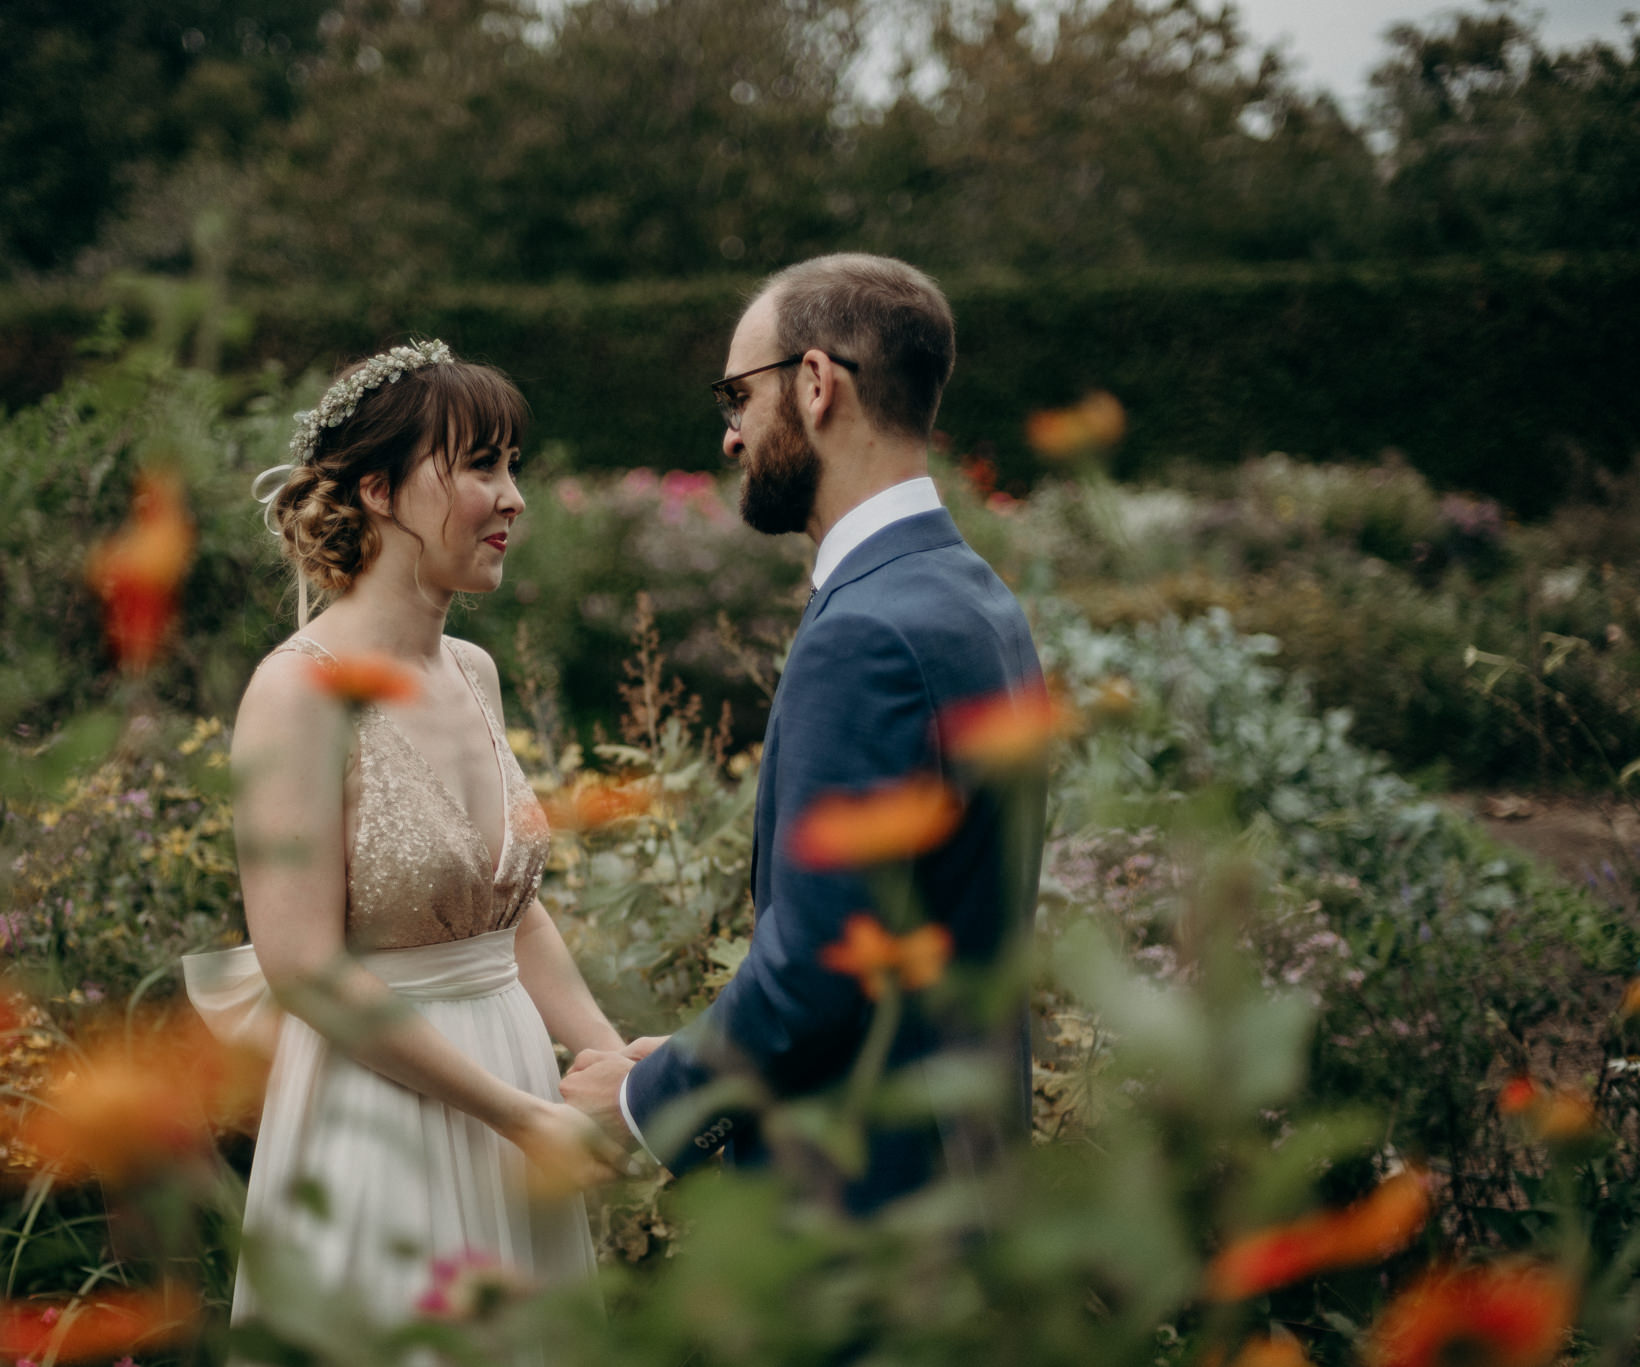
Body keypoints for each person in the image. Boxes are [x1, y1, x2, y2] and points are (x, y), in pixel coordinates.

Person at [561, 255, 1046, 1215]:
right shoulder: (976, 598)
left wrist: (639, 1099)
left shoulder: (865, 631)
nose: (731, 434)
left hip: (867, 1209)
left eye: (739, 395)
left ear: (816, 385)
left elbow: (820, 962)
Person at [182, 341, 623, 1335]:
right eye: (479, 465)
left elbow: (506, 906)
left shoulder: (472, 670)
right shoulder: (296, 691)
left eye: (512, 464)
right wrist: (519, 1114)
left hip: (512, 1085)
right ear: (377, 489)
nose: (512, 497)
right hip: (381, 1111)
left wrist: (605, 1057)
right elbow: (300, 966)